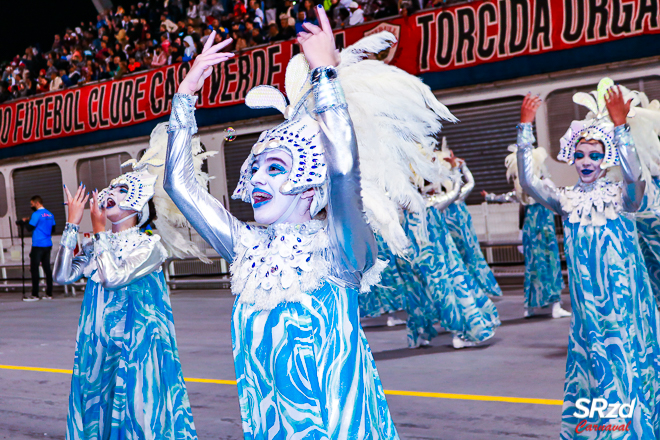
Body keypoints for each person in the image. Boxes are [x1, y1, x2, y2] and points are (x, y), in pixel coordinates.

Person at [164, 12, 454, 437]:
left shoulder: (339, 253)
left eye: (275, 168)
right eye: (256, 168)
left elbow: (343, 172)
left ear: (307, 183)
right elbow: (179, 184)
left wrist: (324, 75)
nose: (258, 178)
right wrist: (185, 95)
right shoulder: (245, 247)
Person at [517, 80, 660, 438]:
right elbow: (529, 182)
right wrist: (524, 129)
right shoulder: (566, 201)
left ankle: (634, 429)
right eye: (580, 155)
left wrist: (620, 127)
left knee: (626, 361)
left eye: (595, 155)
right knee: (596, 368)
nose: (585, 162)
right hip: (588, 311)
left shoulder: (622, 197)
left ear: (607, 158)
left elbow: (634, 176)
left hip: (625, 307)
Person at [53, 123, 206, 440]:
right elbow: (62, 275)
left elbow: (114, 278)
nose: (109, 194)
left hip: (137, 351)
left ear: (139, 204)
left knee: (137, 412)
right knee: (101, 407)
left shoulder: (150, 246)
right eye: (109, 190)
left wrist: (97, 233)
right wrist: (71, 225)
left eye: (121, 191)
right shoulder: (99, 246)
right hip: (100, 346)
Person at [484, 139, 570, 319]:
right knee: (549, 261)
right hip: (542, 225)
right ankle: (553, 305)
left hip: (531, 225)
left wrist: (491, 196)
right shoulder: (541, 184)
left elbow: (508, 197)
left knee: (534, 264)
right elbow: (559, 198)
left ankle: (531, 306)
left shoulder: (523, 187)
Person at [440, 141, 503, 298]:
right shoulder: (455, 197)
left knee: (459, 257)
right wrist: (462, 167)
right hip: (461, 233)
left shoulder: (445, 201)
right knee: (469, 255)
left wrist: (459, 167)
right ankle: (476, 289)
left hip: (454, 231)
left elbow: (469, 183)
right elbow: (471, 182)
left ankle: (466, 289)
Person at [18, 196, 55, 301]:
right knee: (47, 268)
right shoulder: (50, 214)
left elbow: (30, 228)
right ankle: (49, 293)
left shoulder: (36, 214)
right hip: (48, 244)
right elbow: (53, 228)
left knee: (34, 269)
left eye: (32, 204)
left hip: (38, 245)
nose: (31, 206)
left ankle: (35, 294)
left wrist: (24, 222)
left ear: (37, 203)